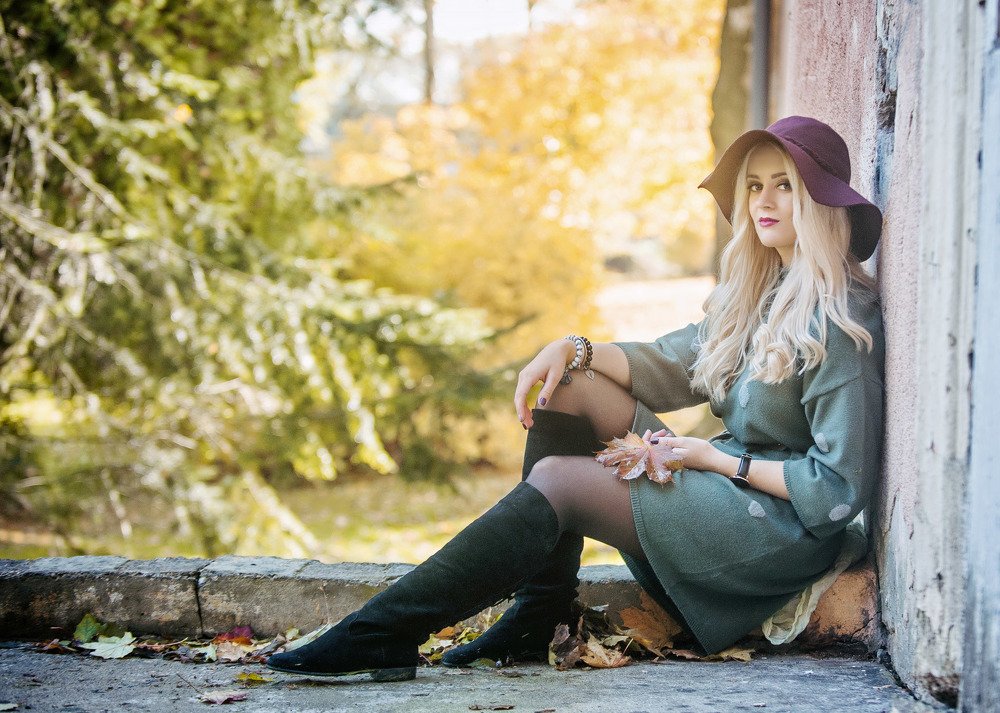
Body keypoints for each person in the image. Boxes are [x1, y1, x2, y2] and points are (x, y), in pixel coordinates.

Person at [265, 115, 885, 680]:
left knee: (561, 481)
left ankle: (381, 632)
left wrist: (714, 459)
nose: (763, 202)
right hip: (725, 487)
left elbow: (837, 491)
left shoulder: (841, 320)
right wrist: (573, 347)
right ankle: (541, 613)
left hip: (775, 532)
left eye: (784, 186)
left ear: (820, 203)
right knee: (571, 386)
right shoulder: (758, 293)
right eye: (754, 186)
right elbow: (671, 362)